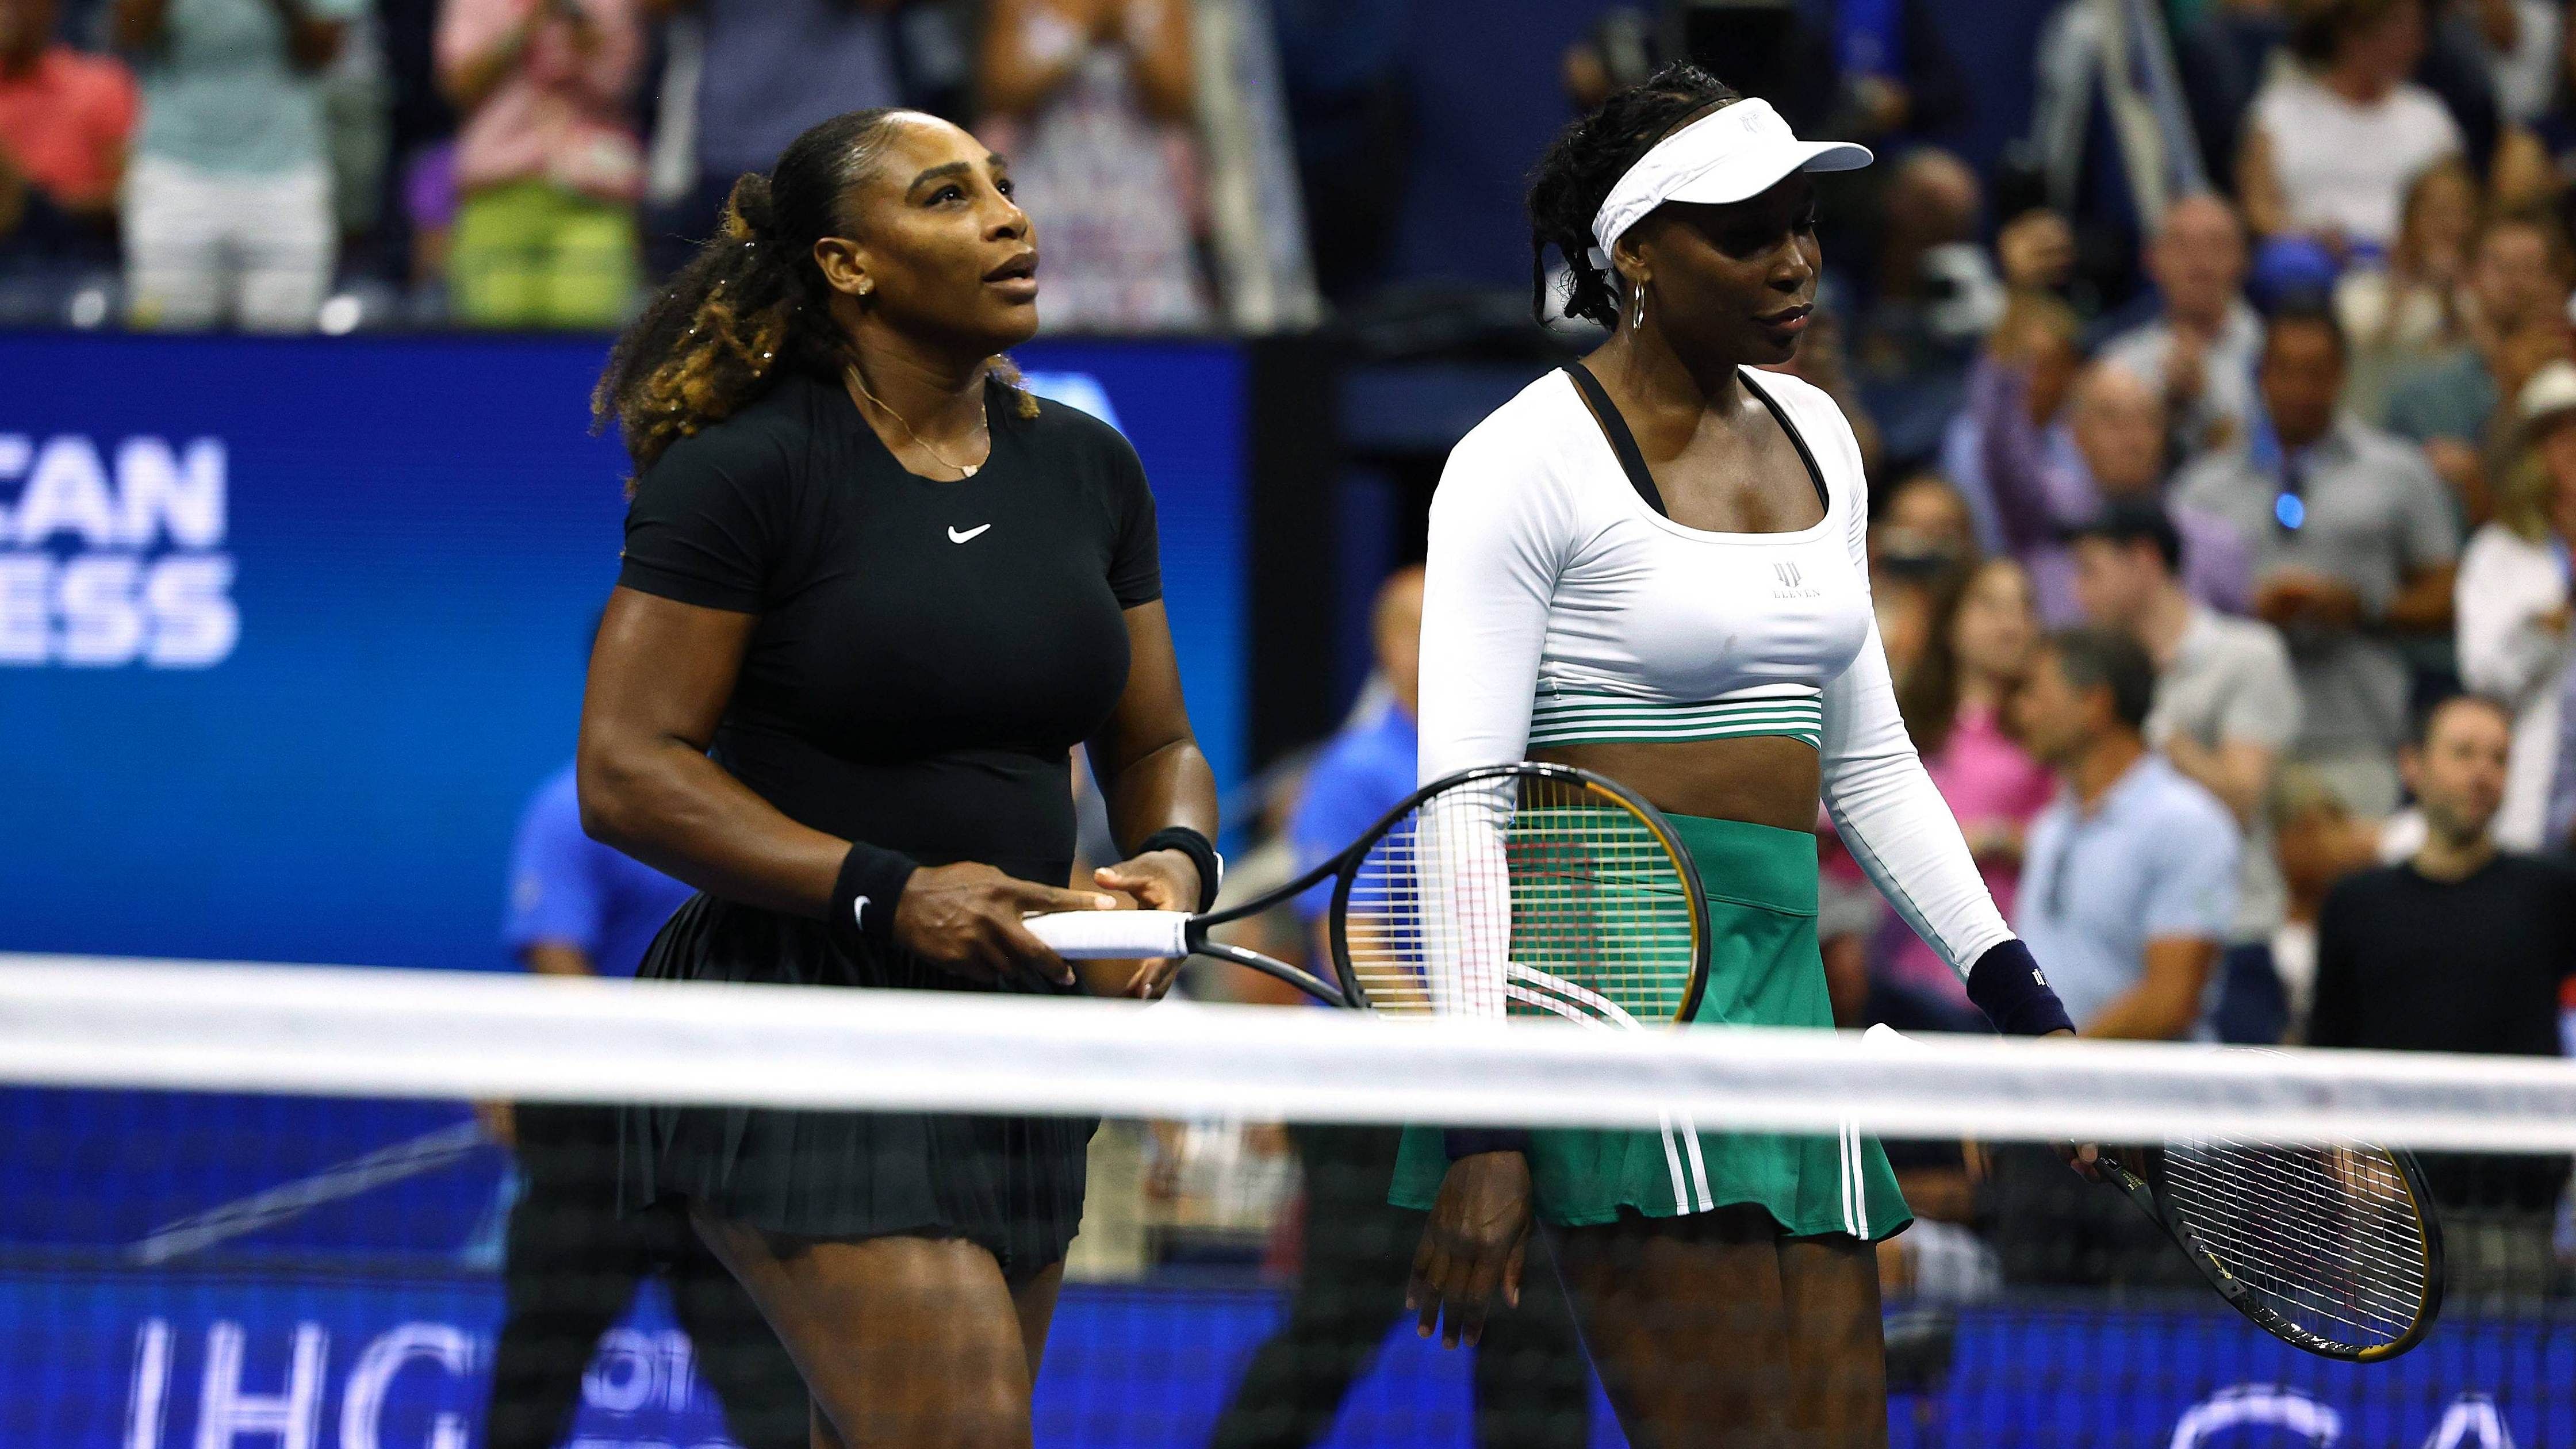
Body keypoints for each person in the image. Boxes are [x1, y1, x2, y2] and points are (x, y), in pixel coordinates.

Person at [1397, 65, 2077, 1448]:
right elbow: (1462, 811)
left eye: (1805, 222)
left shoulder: (1822, 432)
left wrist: (2027, 1010)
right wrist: (1480, 1123)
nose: (1797, 258)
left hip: (1784, 996)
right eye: (1748, 230)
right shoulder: (1517, 461)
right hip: (1611, 988)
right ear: (1635, 254)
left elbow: (1870, 763)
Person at [581, 108, 1221, 1444]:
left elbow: (1157, 745)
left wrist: (1174, 865)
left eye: (1004, 187)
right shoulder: (745, 473)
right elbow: (628, 772)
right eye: (948, 197)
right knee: (962, 1429)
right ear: (847, 264)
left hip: (1014, 1026)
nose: (1008, 218)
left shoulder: (1089, 469)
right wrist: (889, 891)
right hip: (794, 1019)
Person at [1208, 568, 1591, 1449]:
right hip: (1371, 1107)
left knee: (1533, 1333)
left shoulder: (1500, 768)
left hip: (1481, 1096)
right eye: (1427, 629)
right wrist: (1461, 1060)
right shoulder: (1360, 770)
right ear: (1388, 648)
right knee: (1336, 1326)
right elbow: (1357, 947)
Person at [482, 761, 806, 1449]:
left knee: (764, 1371)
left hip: (723, 1131)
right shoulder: (568, 808)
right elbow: (558, 964)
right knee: (538, 1365)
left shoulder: (773, 800)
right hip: (593, 1140)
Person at [1983, 627, 2240, 1288]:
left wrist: (2041, 1068)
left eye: (2036, 692)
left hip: (2154, 1147)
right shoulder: (2050, 826)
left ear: (2094, 703)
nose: (2022, 711)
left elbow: (2171, 998)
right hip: (2048, 1134)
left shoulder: (2190, 823)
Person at [2309, 693, 2576, 1297]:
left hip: (2514, 1217)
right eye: (2463, 753)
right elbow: (2324, 1054)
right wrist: (2346, 1164)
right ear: (2413, 765)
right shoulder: (2356, 905)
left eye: (2498, 759)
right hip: (2389, 1222)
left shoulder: (2551, 893)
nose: (2483, 772)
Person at [2174, 300, 2461, 816]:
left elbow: (2448, 597)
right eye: (2285, 371)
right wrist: (2244, 611)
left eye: (2317, 373)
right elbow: (2169, 610)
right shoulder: (2203, 488)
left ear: (2342, 376)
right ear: (2260, 374)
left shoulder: (2399, 471)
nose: (2300, 390)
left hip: (2357, 733)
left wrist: (2363, 608)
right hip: (2229, 737)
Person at [2069, 501, 2304, 1044]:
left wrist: (2149, 729)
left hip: (2230, 932)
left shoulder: (2248, 655)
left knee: (2235, 1131)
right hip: (2122, 943)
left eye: (2091, 571)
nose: (2078, 594)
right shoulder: (2097, 673)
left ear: (2146, 562)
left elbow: (2242, 800)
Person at [111, 0, 361, 330]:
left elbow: (324, 50)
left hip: (286, 179)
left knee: (283, 366)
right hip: (175, 177)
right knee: (167, 364)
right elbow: (129, 31)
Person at [1886, 558, 2054, 1028]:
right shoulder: (1905, 723)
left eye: (2024, 606)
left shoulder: (2049, 728)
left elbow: (2086, 841)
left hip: (2005, 974)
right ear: (1951, 621)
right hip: (1902, 967)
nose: (2012, 623)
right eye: (1991, 605)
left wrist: (1998, 838)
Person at [976, 0, 1210, 332]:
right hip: (1050, 182)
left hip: (1135, 193)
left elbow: (1178, 97)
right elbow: (1002, 92)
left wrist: (1126, 33)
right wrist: (1079, 34)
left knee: (1153, 330)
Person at [634, 0, 906, 278]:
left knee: (849, 284)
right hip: (731, 138)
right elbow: (656, 8)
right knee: (728, 293)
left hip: (840, 134)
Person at [1976, 352, 2254, 620]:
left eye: (2147, 420)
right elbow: (2004, 457)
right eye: (2112, 419)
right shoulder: (2044, 514)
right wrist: (2006, 367)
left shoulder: (2214, 542)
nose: (2132, 437)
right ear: (2076, 433)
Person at [435, 0, 645, 328]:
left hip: (593, 197)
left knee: (592, 350)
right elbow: (460, 86)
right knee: (491, 351)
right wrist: (526, 25)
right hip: (498, 193)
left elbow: (620, 85)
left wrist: (580, 38)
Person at [2238, 0, 2466, 258]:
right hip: (2313, 263)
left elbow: (2456, 207)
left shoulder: (2430, 116)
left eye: (2414, 32)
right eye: (2393, 29)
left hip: (2404, 264)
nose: (2412, 44)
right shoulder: (2279, 110)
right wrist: (2305, 234)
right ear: (2351, 34)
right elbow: (2258, 208)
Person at [2457, 357, 2576, 849]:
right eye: (2560, 438)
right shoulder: (2498, 553)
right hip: (2533, 793)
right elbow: (2484, 676)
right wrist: (2546, 627)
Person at [2383, 209, 2574, 514]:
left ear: (2557, 282)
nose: (2515, 281)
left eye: (2530, 268)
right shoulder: (2422, 398)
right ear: (2471, 278)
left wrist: (2475, 472)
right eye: (2501, 267)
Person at [2098, 194, 2265, 461]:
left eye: (2217, 246)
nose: (2200, 263)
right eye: (2182, 246)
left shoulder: (2274, 355)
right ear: (2151, 259)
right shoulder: (2117, 365)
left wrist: (2205, 401)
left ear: (2245, 259)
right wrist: (2167, 408)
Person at [0, 0, 135, 315]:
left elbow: (127, 196)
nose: (10, 11)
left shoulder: (99, 83)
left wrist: (45, 204)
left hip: (78, 255)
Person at [2335, 159, 2478, 423]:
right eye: (2437, 213)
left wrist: (2449, 301)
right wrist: (2402, 289)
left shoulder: (2483, 297)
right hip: (2376, 428)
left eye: (2459, 213)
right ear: (2409, 219)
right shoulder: (2364, 289)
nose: (2448, 225)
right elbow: (2363, 349)